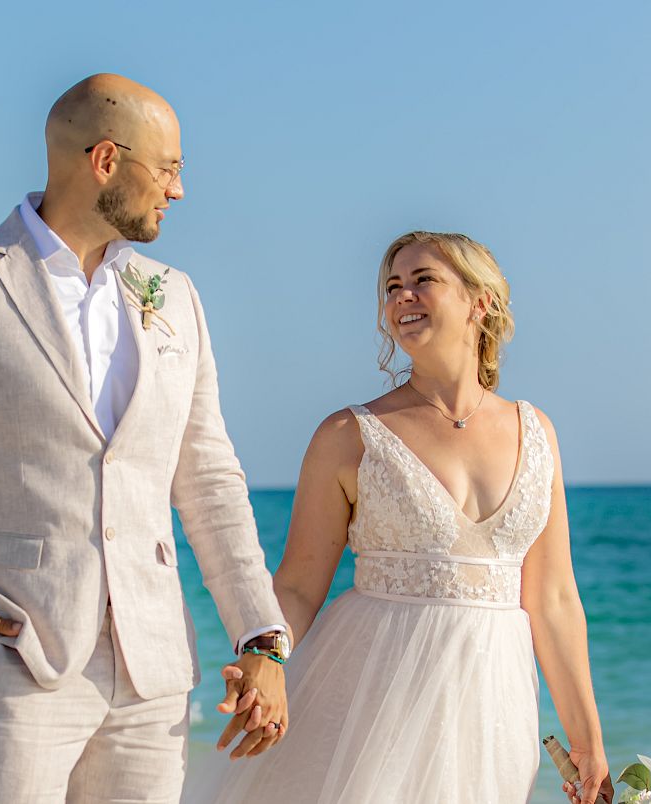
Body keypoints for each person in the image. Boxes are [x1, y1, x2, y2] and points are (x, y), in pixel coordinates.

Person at [0, 74, 290, 803]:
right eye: (168, 169)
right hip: (11, 660)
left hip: (153, 672)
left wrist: (260, 637)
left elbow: (208, 478)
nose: (179, 189)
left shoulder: (177, 297)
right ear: (105, 160)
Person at [190, 231, 613, 804]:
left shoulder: (537, 434)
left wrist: (587, 740)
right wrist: (263, 658)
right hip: (370, 701)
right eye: (392, 287)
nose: (402, 297)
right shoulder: (346, 436)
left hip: (493, 712)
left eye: (423, 281)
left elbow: (555, 600)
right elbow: (296, 585)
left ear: (479, 301)